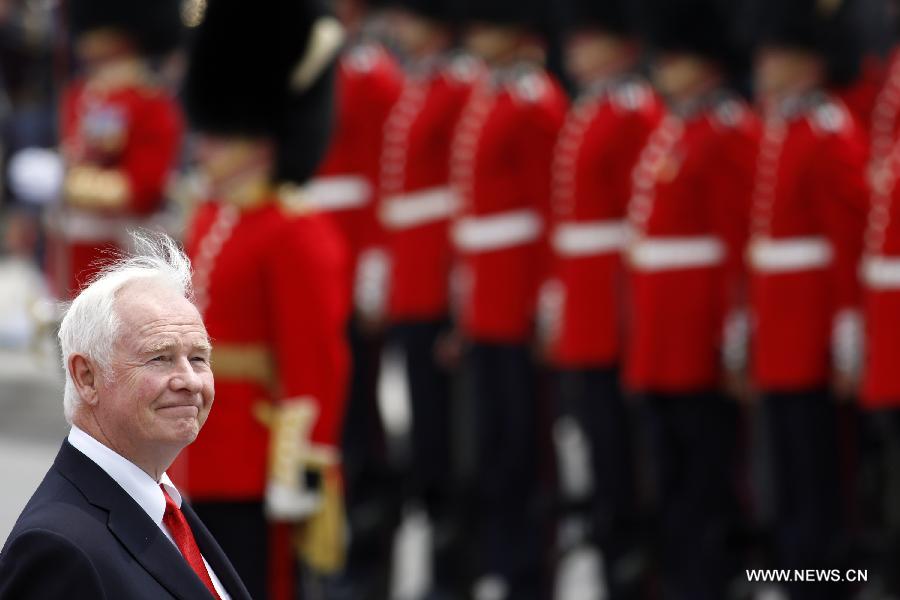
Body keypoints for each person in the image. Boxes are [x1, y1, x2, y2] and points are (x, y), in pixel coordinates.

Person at [170, 1, 350, 598]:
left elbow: (314, 357)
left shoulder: (296, 230)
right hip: (199, 440)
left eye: (221, 135)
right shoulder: (215, 217)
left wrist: (301, 464)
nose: (206, 148)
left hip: (254, 453)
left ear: (261, 140)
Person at [0, 231, 252, 600]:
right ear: (87, 377)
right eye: (160, 358)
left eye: (198, 358)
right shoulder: (57, 548)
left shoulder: (167, 509)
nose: (189, 380)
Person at [623, 1, 760, 598]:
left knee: (708, 474)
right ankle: (680, 576)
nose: (663, 64)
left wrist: (735, 337)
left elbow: (737, 246)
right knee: (671, 473)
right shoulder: (678, 127)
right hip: (660, 336)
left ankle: (720, 578)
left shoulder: (727, 129)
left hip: (698, 336)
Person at [540, 1, 662, 597]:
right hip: (587, 305)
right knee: (594, 431)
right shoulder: (593, 108)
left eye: (590, 38)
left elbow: (636, 225)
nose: (576, 49)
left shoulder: (633, 110)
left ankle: (632, 557)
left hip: (615, 305)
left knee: (621, 442)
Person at [748, 1, 868, 598]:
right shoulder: (783, 126)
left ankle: (825, 580)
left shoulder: (826, 129)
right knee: (788, 468)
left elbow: (847, 244)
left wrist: (849, 334)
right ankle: (792, 575)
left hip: (813, 325)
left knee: (820, 470)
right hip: (777, 324)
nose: (763, 64)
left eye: (775, 53)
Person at [449, 0, 567, 597]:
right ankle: (501, 557)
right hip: (487, 298)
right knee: (492, 439)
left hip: (518, 294)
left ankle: (529, 566)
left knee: (524, 440)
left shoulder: (532, 98)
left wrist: (548, 298)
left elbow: (551, 207)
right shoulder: (492, 92)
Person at [47, 0, 183, 299]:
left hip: (118, 253)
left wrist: (66, 184)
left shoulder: (150, 102)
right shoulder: (79, 93)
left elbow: (143, 190)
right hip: (68, 247)